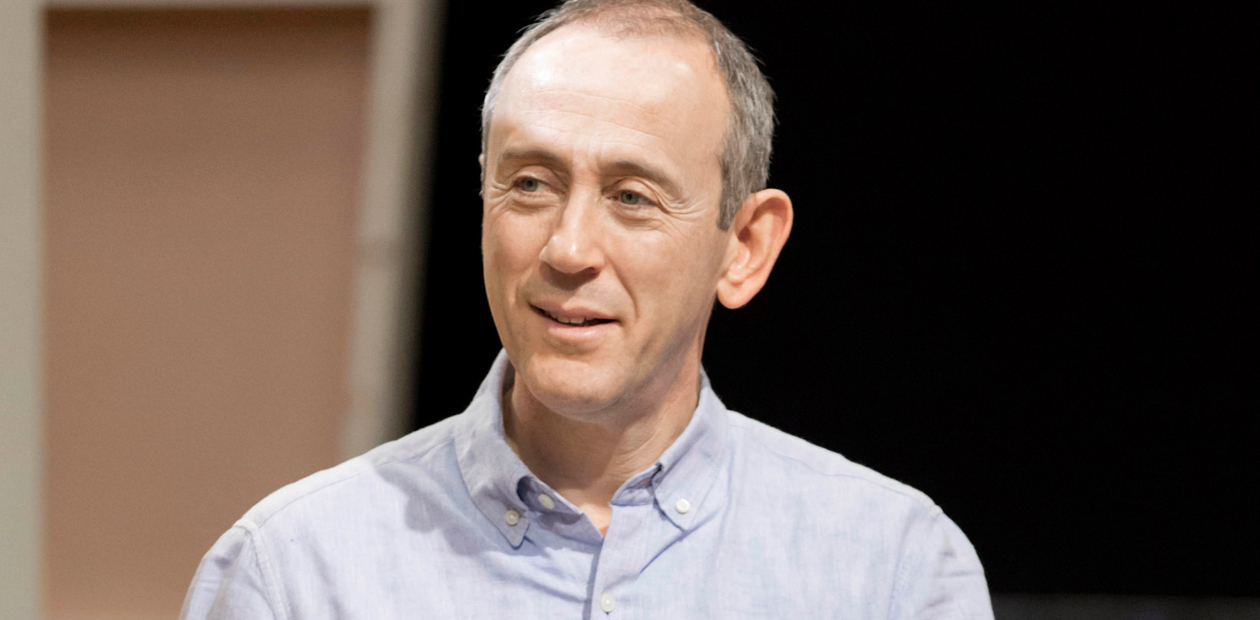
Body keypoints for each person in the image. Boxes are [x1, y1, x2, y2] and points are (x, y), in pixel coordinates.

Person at [180, 0, 993, 617]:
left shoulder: (893, 571)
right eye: (529, 184)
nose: (568, 249)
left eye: (632, 197)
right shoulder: (293, 571)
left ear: (744, 245)